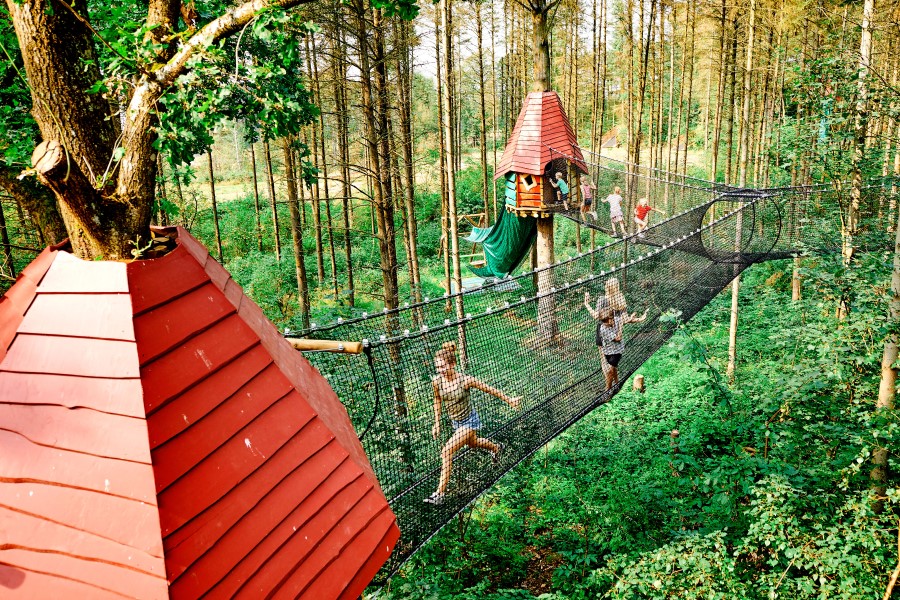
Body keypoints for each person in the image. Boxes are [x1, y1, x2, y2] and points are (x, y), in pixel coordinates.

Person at [424, 341, 521, 505]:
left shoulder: (465, 380)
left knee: (446, 452)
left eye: (443, 366)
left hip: (470, 421)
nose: (440, 370)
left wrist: (509, 400)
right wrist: (437, 423)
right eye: (437, 367)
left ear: (452, 364)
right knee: (473, 443)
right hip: (456, 423)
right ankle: (496, 448)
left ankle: (439, 494)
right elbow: (437, 400)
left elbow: (489, 389)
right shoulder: (437, 382)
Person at [584, 278, 647, 389]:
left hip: (603, 332)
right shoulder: (620, 299)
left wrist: (586, 304)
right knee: (613, 360)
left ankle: (608, 387)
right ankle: (617, 383)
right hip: (616, 331)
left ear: (607, 287)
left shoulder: (602, 299)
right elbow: (625, 319)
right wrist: (639, 319)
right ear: (617, 286)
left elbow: (596, 316)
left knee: (605, 361)